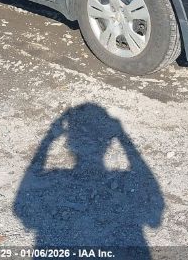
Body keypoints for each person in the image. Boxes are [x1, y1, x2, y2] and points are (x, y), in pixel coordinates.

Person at [13, 103, 164, 255]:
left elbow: (23, 203)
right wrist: (123, 136)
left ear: (69, 143)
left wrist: (49, 139)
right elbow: (153, 205)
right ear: (107, 143)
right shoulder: (123, 183)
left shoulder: (57, 181)